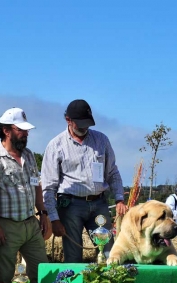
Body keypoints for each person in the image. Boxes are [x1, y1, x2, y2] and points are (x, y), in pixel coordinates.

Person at [41, 99, 127, 263]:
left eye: (87, 124)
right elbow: (48, 186)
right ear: (68, 120)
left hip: (99, 203)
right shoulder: (55, 145)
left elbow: (112, 172)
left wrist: (119, 198)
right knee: (73, 256)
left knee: (109, 252)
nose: (85, 128)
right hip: (70, 206)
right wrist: (54, 219)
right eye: (80, 124)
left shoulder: (101, 140)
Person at [0, 107, 50, 283]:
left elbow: (36, 185)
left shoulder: (28, 156)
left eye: (26, 130)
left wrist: (42, 213)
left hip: (30, 224)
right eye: (21, 129)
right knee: (4, 280)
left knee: (42, 272)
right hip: (5, 227)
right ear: (6, 131)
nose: (26, 133)